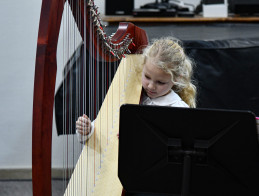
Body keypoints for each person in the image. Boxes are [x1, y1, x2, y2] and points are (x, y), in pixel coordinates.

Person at [76, 36, 197, 143]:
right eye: (147, 77)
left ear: (177, 79)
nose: (150, 86)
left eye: (160, 82)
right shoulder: (129, 93)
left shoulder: (178, 110)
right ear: (142, 67)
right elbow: (101, 130)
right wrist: (88, 131)